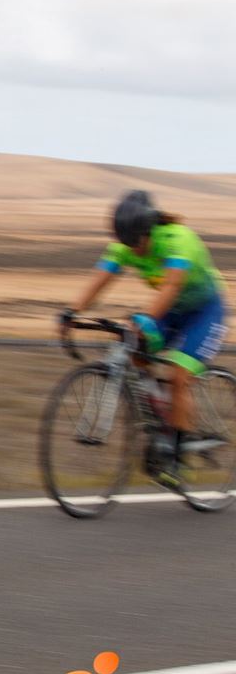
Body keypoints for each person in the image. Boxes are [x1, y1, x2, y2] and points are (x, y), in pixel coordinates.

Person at [59, 190, 229, 477]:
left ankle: (178, 448)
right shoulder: (127, 244)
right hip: (171, 311)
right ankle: (162, 420)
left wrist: (145, 319)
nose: (134, 250)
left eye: (138, 242)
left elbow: (171, 287)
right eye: (127, 243)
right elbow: (101, 279)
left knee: (178, 375)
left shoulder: (178, 240)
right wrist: (71, 313)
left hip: (204, 313)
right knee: (133, 349)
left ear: (149, 230)